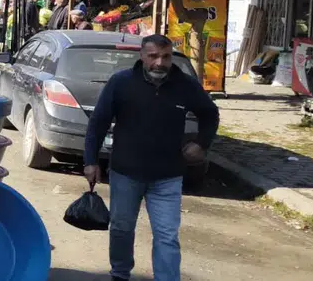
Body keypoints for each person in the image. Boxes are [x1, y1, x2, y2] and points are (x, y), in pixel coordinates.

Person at [84, 35, 219, 281]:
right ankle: (120, 273)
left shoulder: (185, 85)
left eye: (165, 56)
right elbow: (98, 122)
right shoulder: (121, 83)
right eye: (153, 56)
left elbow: (210, 114)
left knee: (167, 235)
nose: (160, 63)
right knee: (122, 230)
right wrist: (90, 160)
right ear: (142, 56)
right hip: (126, 173)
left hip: (168, 176)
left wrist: (201, 144)